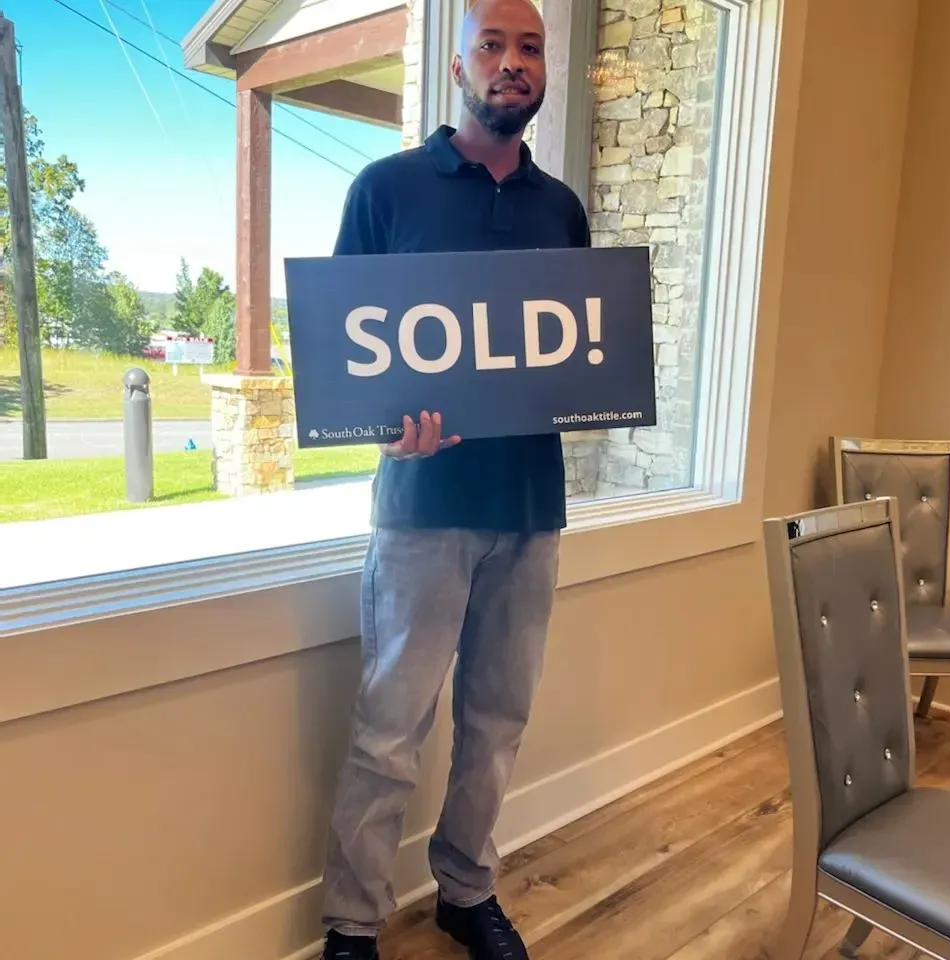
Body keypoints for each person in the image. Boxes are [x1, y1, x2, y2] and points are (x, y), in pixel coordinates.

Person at [321, 1, 590, 957]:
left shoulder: (561, 209)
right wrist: (387, 432)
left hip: (531, 508)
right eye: (492, 45)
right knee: (391, 730)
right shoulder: (385, 188)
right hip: (424, 512)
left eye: (529, 48)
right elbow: (342, 361)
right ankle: (352, 921)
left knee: (498, 722)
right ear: (457, 65)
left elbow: (575, 356)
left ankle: (465, 891)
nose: (511, 63)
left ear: (542, 69)